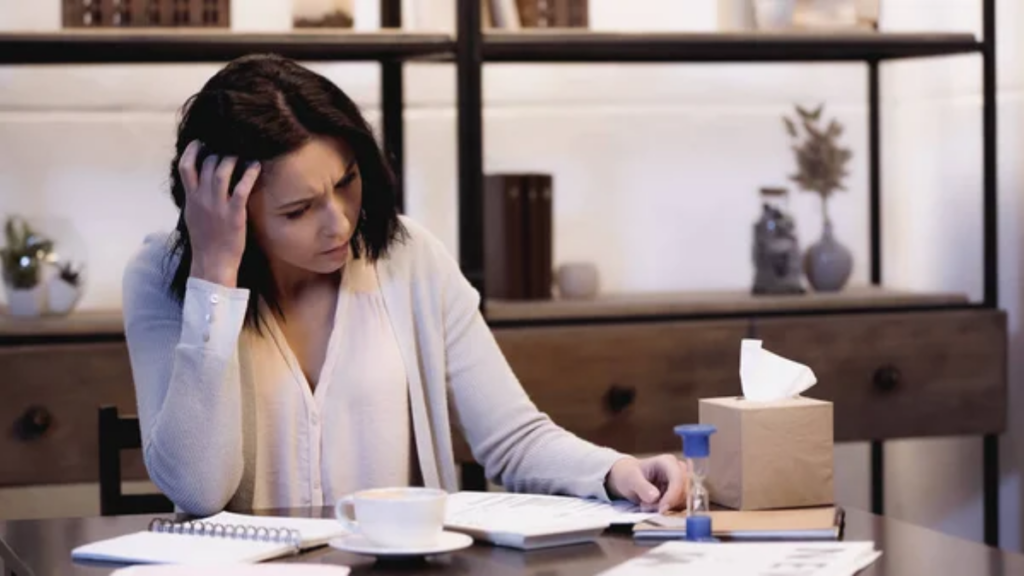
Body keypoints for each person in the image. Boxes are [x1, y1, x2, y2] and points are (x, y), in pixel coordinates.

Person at [122, 53, 689, 517]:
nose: (339, 222)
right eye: (298, 210)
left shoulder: (410, 257)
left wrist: (616, 472)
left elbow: (511, 439)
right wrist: (215, 277)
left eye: (347, 183)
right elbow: (196, 490)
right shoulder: (165, 280)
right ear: (226, 205)